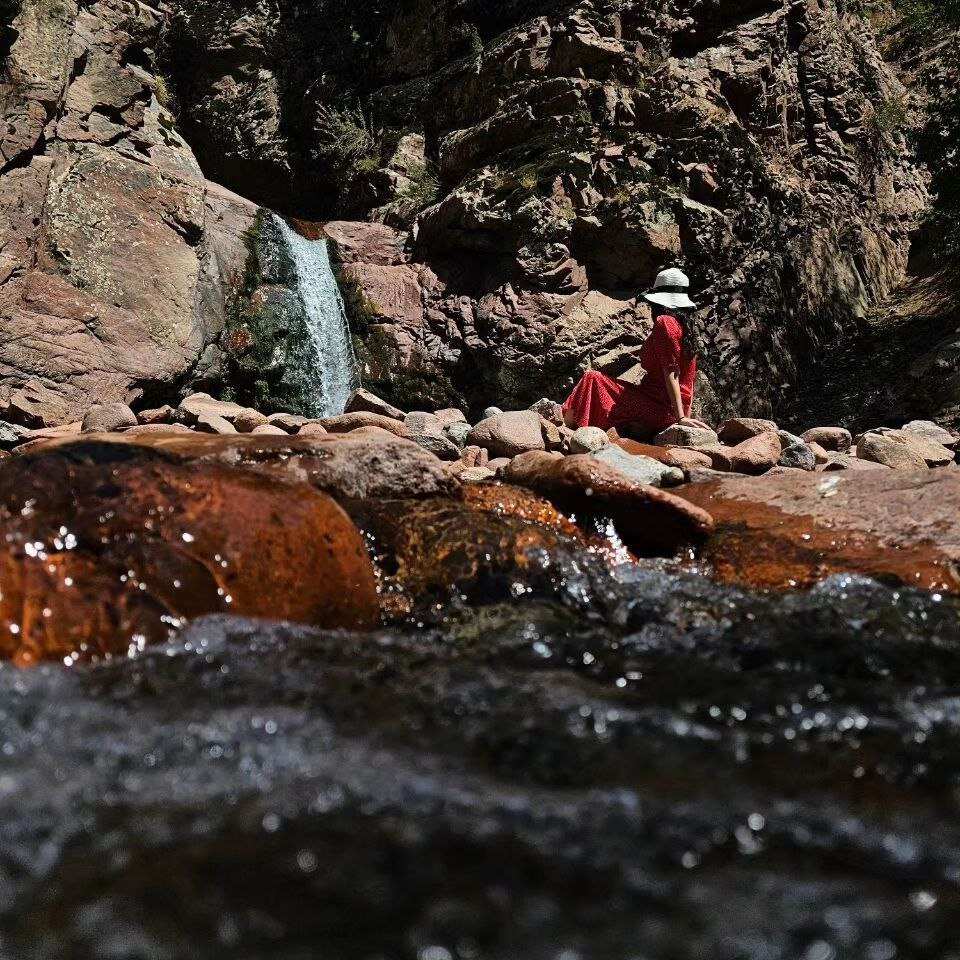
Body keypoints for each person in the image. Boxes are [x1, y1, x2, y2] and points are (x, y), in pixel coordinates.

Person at [562, 267, 710, 438]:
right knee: (602, 384)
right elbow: (689, 380)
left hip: (657, 408)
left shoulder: (665, 323)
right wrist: (685, 413)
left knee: (592, 378)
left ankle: (565, 431)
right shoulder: (687, 329)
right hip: (661, 406)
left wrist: (681, 418)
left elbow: (672, 373)